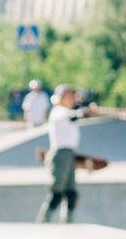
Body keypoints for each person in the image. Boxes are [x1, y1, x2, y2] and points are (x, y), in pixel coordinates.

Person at [38, 83, 96, 223]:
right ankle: (43, 222)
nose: (71, 99)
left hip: (69, 154)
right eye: (68, 96)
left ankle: (68, 224)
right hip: (60, 155)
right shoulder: (58, 111)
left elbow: (75, 114)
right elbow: (74, 116)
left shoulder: (66, 112)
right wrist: (87, 111)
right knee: (57, 192)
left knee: (71, 194)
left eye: (72, 96)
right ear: (60, 98)